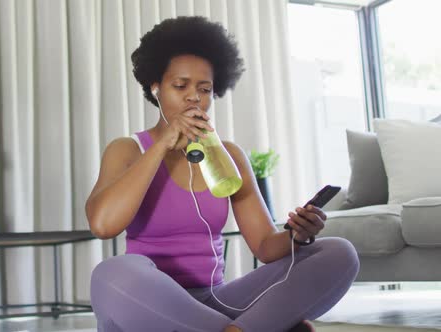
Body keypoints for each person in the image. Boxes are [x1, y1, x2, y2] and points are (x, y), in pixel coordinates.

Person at [85, 16, 359, 332]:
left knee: (339, 253)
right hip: (149, 302)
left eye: (204, 89)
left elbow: (266, 246)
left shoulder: (229, 156)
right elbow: (103, 224)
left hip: (220, 301)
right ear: (156, 87)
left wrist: (299, 235)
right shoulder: (128, 149)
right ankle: (255, 327)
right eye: (180, 86)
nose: (193, 97)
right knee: (114, 273)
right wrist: (162, 146)